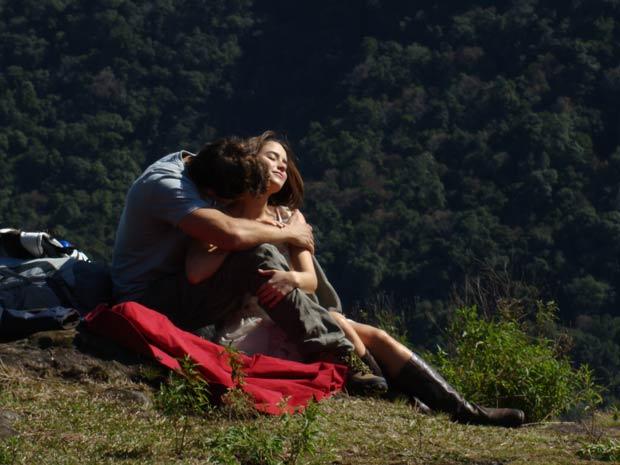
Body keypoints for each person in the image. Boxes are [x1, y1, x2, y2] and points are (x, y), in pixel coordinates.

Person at [186, 130, 525, 428]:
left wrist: (289, 278)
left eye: (285, 164)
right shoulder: (223, 219)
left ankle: (464, 410)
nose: (280, 167)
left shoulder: (289, 217)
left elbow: (309, 280)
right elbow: (198, 267)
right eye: (271, 157)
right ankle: (402, 398)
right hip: (250, 325)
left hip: (297, 310)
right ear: (249, 164)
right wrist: (247, 242)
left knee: (374, 333)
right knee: (339, 323)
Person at [110, 137, 355, 362]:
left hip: (176, 285)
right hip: (147, 299)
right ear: (211, 194)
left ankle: (333, 344)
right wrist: (289, 233)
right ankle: (332, 351)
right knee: (259, 255)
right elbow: (231, 234)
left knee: (257, 253)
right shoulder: (169, 186)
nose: (226, 207)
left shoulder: (208, 168)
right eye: (225, 203)